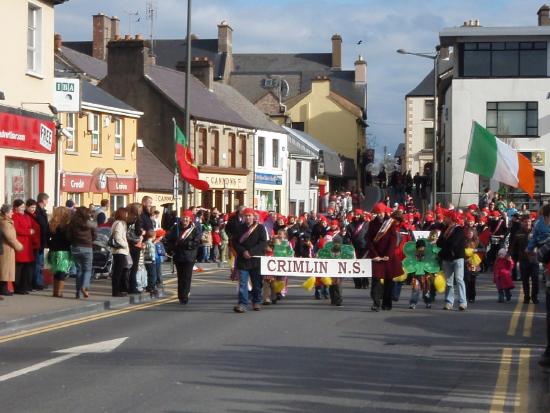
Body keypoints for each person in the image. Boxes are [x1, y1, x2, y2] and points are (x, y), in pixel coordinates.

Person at [366, 202, 400, 311]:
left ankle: (387, 303)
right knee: (376, 280)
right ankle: (376, 303)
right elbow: (369, 240)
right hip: (377, 256)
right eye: (377, 213)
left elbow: (393, 240)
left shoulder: (391, 223)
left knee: (388, 281)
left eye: (380, 213)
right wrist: (374, 255)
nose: (379, 215)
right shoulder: (372, 224)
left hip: (388, 256)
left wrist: (388, 255)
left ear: (384, 212)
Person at [232, 208, 267, 313]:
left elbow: (263, 243)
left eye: (249, 216)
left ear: (253, 216)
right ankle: (242, 303)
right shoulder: (239, 228)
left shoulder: (260, 228)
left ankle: (256, 301)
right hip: (243, 260)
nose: (247, 218)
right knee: (243, 283)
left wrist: (251, 252)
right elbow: (235, 242)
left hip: (255, 259)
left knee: (257, 283)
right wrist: (243, 252)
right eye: (245, 216)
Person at [437, 210, 467, 311]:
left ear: (450, 218)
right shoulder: (445, 229)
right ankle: (449, 302)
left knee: (459, 279)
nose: (444, 218)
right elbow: (438, 243)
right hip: (446, 258)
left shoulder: (459, 229)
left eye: (446, 217)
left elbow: (454, 243)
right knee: (449, 282)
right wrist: (445, 242)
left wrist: (445, 243)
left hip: (457, 258)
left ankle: (462, 302)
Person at [169, 210, 201, 304]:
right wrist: (172, 249)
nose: (185, 219)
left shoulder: (195, 228)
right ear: (181, 218)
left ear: (190, 219)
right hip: (178, 255)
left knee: (186, 277)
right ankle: (180, 295)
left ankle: (184, 296)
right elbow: (170, 239)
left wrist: (186, 244)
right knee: (180, 276)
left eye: (187, 217)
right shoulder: (176, 227)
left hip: (189, 256)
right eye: (184, 217)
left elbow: (196, 241)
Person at [68, 206, 96, 299]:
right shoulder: (90, 223)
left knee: (79, 270)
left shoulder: (73, 222)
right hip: (87, 247)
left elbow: (68, 235)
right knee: (87, 269)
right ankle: (84, 287)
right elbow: (95, 234)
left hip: (76, 247)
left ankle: (77, 293)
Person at [510, 215, 538, 304]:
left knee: (535, 279)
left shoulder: (536, 232)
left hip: (534, 259)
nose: (527, 223)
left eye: (529, 221)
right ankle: (526, 297)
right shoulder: (518, 233)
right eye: (525, 221)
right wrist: (508, 255)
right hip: (523, 259)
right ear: (522, 223)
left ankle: (534, 297)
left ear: (531, 222)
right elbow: (513, 245)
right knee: (525, 280)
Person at [47, 207, 72, 298]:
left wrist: (50, 244)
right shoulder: (67, 226)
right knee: (62, 272)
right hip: (64, 251)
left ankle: (55, 292)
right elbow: (69, 239)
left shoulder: (51, 224)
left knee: (56, 272)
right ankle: (60, 292)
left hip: (53, 250)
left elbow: (47, 237)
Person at [12, 199, 36, 294]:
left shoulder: (26, 216)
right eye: (21, 207)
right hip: (21, 243)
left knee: (26, 268)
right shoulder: (15, 216)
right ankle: (18, 287)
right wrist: (28, 232)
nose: (23, 209)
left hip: (27, 244)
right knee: (19, 268)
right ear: (16, 208)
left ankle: (25, 287)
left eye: (23, 207)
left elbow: (31, 226)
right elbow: (16, 229)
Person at [0, 204, 23, 296]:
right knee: (5, 270)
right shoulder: (5, 223)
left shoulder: (5, 221)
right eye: (11, 211)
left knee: (4, 269)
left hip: (6, 248)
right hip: (6, 249)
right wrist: (19, 246)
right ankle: (3, 289)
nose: (12, 213)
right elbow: (10, 238)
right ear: (6, 213)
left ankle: (4, 288)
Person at [345, 209, 369, 289]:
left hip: (365, 247)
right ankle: (357, 282)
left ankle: (365, 282)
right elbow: (347, 237)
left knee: (364, 265)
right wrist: (349, 245)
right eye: (355, 214)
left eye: (358, 215)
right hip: (354, 248)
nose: (357, 216)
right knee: (354, 265)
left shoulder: (367, 224)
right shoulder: (350, 226)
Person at [110, 207, 130, 297]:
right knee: (118, 272)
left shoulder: (120, 223)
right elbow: (117, 237)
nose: (127, 215)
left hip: (119, 250)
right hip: (120, 250)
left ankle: (119, 290)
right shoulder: (119, 223)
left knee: (120, 271)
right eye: (126, 213)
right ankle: (116, 291)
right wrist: (125, 245)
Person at [34, 192, 49, 290]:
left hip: (42, 240)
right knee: (38, 263)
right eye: (47, 200)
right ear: (43, 200)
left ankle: (39, 281)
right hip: (39, 240)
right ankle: (37, 282)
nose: (47, 202)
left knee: (40, 263)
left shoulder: (41, 211)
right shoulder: (38, 212)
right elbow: (42, 226)